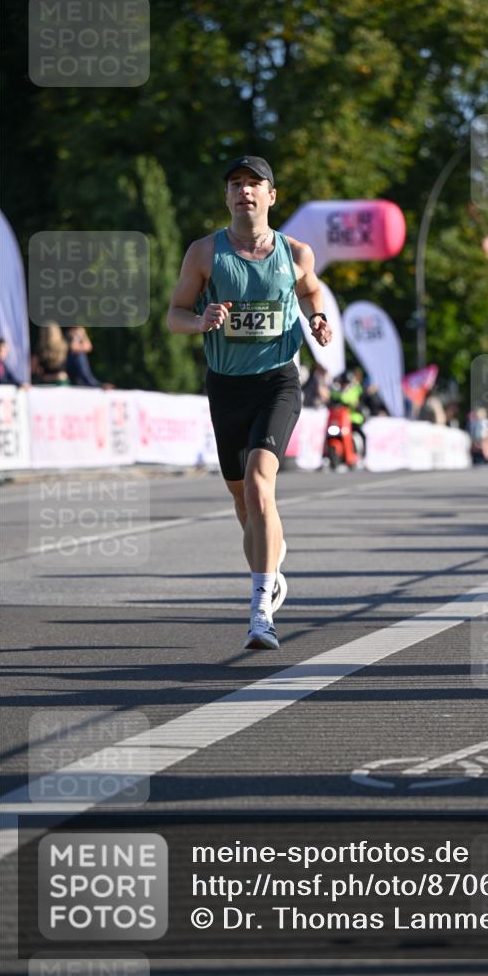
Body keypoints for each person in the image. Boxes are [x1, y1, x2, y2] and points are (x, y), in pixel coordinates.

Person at [167, 155, 332, 650]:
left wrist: (318, 317)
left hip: (277, 381)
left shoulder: (296, 252)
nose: (244, 192)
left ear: (271, 196)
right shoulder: (204, 253)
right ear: (227, 197)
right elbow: (175, 313)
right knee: (245, 502)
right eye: (235, 185)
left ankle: (261, 610)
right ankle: (272, 564)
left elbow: (312, 292)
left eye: (254, 184)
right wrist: (200, 321)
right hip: (226, 386)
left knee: (261, 484)